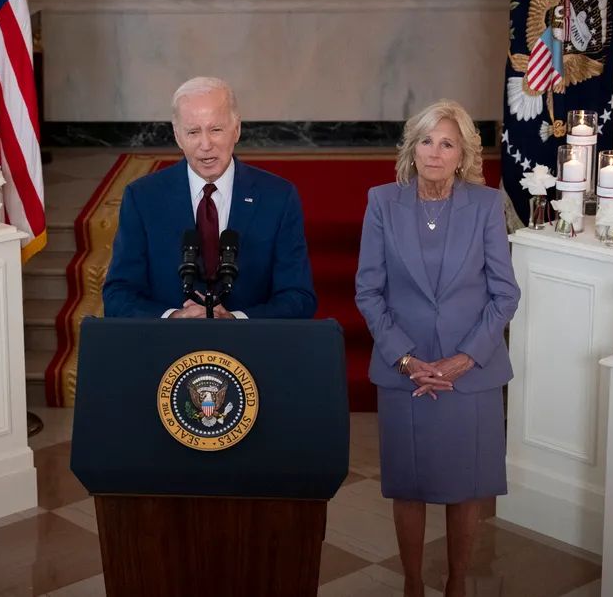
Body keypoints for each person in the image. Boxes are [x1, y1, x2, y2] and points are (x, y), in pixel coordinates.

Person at [354, 99, 520, 597]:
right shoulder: (382, 202)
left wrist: (463, 359)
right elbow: (369, 291)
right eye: (426, 140)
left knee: (465, 487)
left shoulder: (487, 205)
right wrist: (406, 359)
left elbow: (504, 294)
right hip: (404, 370)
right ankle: (411, 583)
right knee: (409, 485)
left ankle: (456, 583)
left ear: (464, 153)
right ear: (412, 147)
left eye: (447, 143)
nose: (434, 152)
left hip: (470, 374)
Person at [102, 77, 317, 319]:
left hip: (252, 350)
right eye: (193, 132)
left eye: (216, 130)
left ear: (236, 130)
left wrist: (237, 320)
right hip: (167, 350)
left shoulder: (278, 197)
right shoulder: (142, 198)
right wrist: (172, 318)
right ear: (177, 136)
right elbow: (118, 295)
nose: (206, 145)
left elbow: (299, 297)